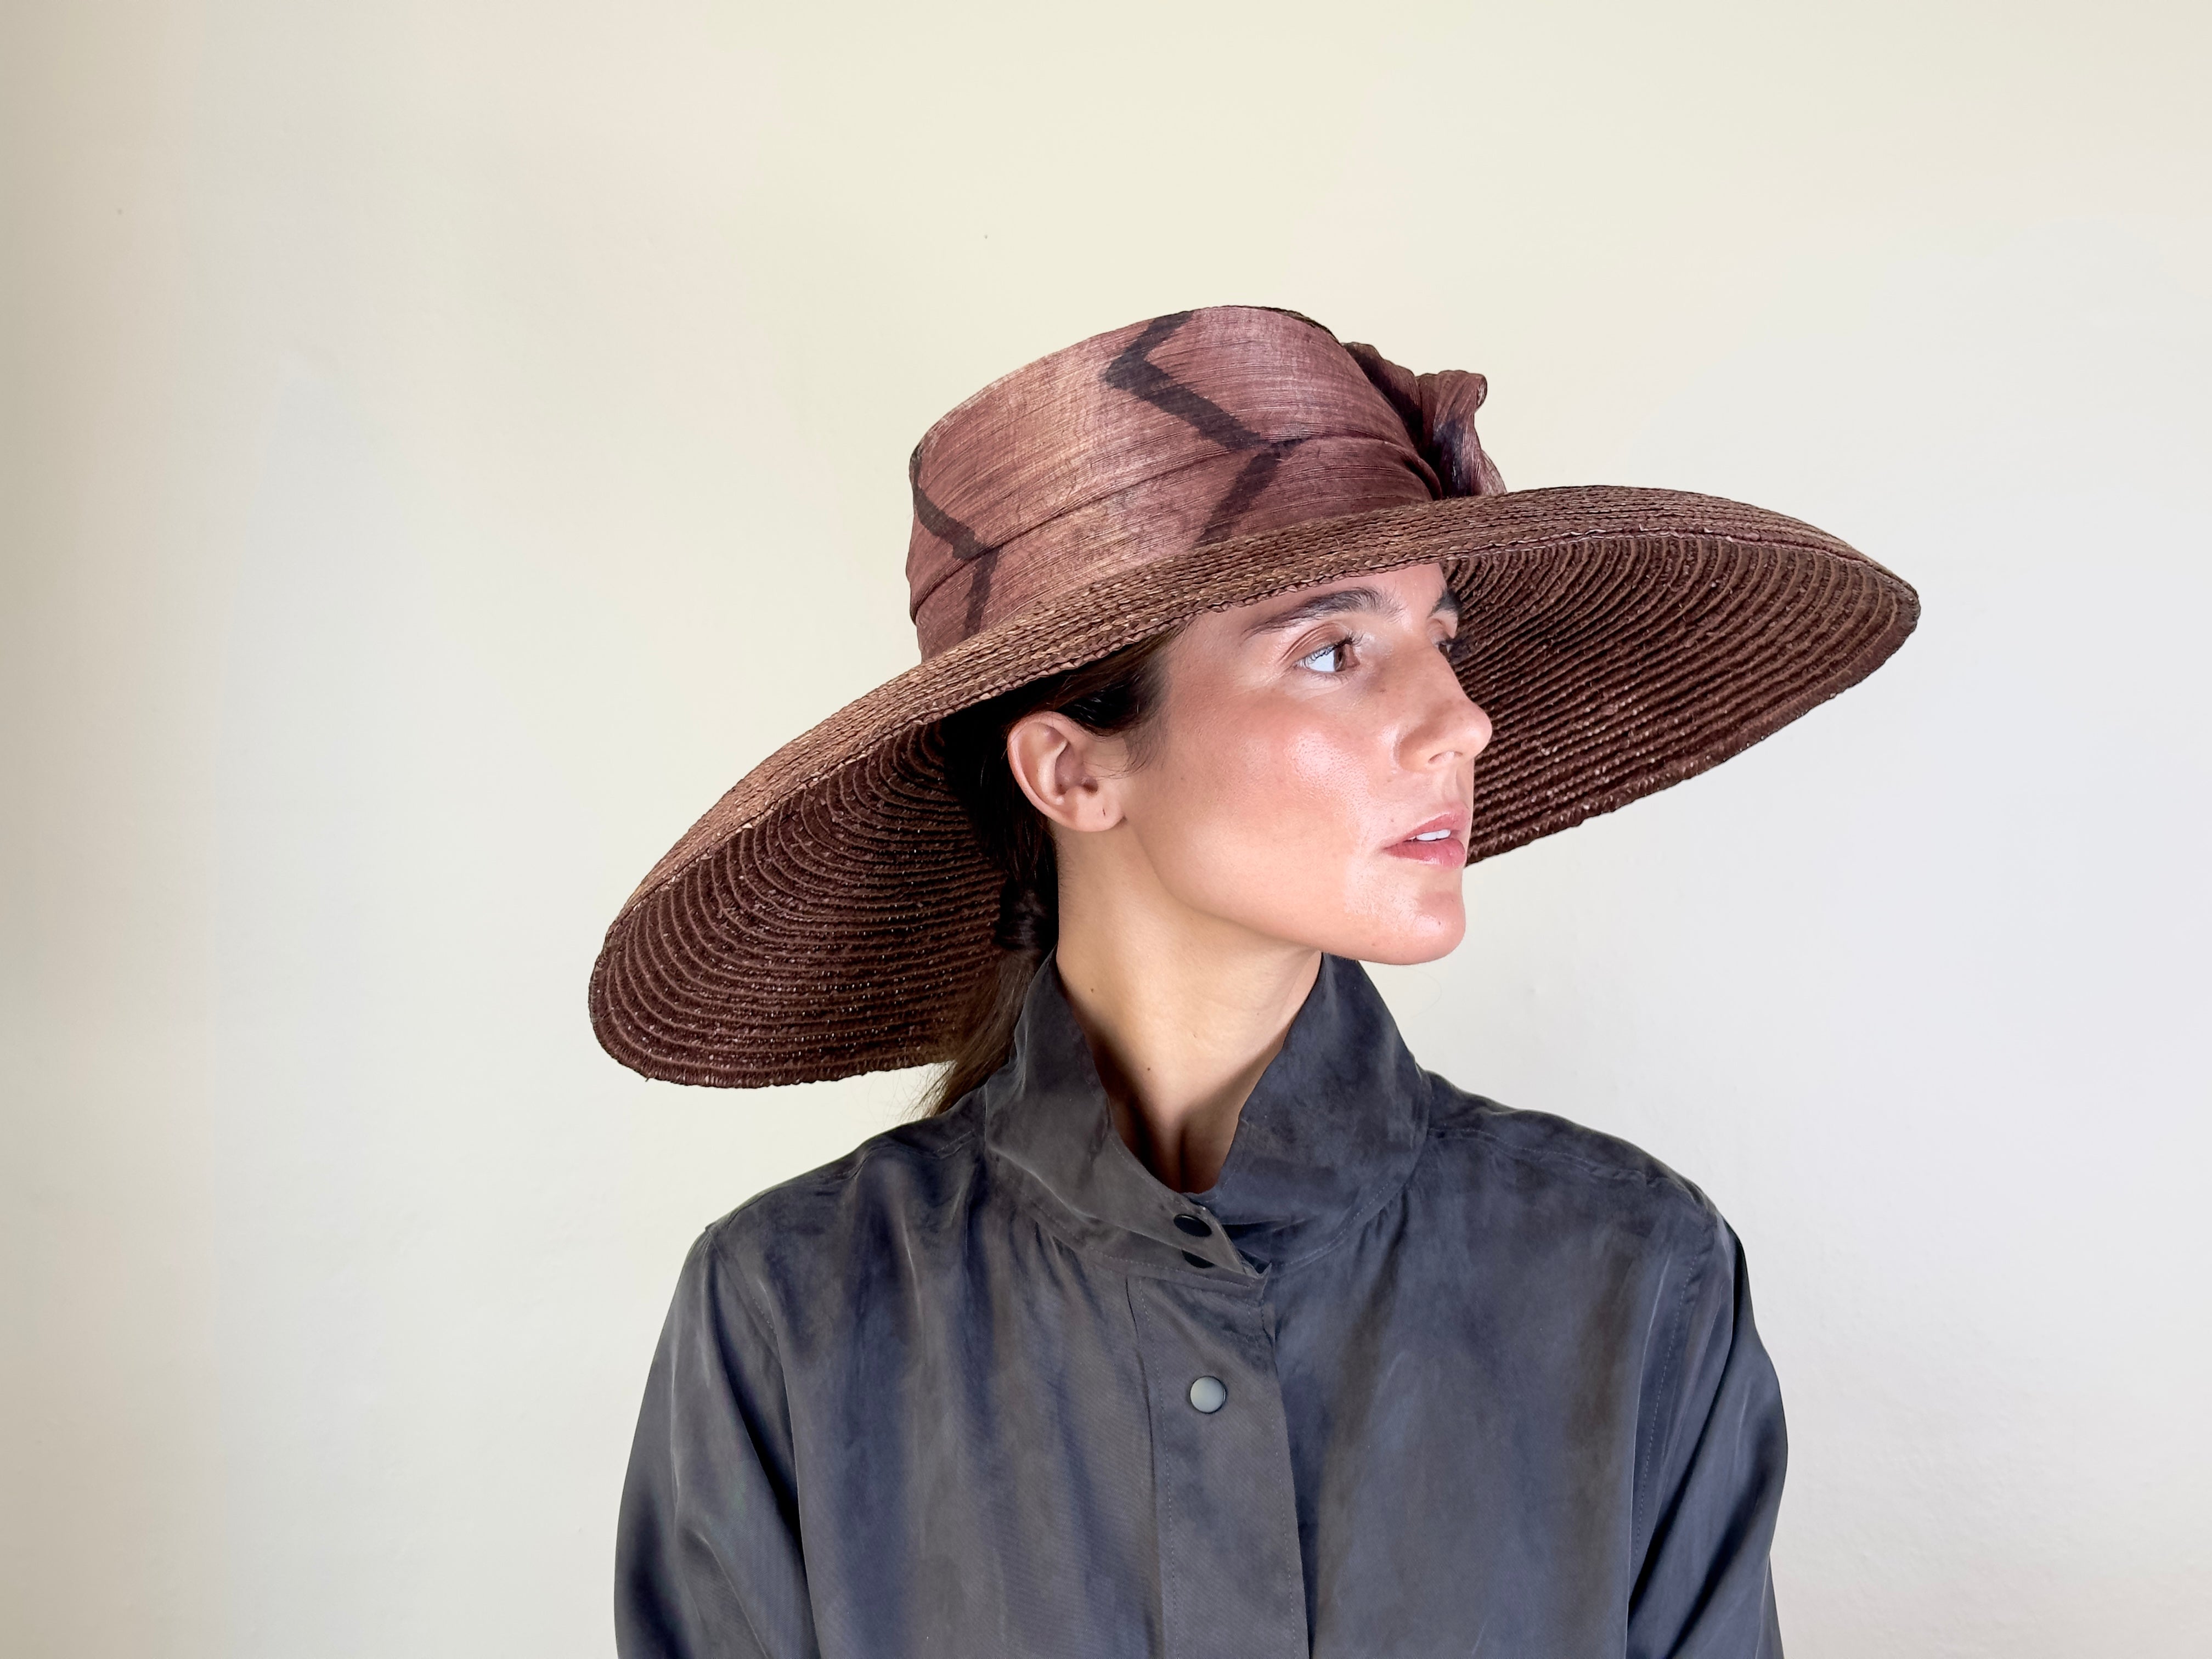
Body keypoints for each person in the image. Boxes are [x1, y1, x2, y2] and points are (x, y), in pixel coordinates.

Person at [590, 306, 1917, 1658]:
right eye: (1334, 651)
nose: (1463, 720)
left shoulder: (1630, 1276)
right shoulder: (791, 1315)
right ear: (1073, 770)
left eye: (1442, 635)